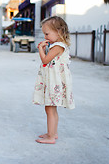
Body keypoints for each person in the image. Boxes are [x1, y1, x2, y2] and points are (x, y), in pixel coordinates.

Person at [33, 16, 75, 144]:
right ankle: (53, 133)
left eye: (47, 34)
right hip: (54, 80)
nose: (45, 37)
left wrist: (40, 49)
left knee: (50, 108)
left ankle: (51, 137)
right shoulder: (57, 45)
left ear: (59, 32)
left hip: (54, 82)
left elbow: (45, 61)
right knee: (51, 108)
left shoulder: (57, 46)